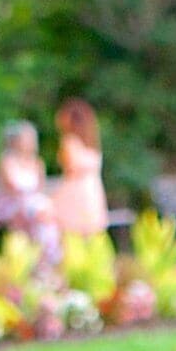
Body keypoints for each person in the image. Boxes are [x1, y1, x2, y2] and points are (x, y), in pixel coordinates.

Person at [0, 118, 58, 268]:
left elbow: (39, 189)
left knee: (45, 215)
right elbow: (10, 188)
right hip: (11, 203)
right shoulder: (7, 161)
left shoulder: (37, 163)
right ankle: (45, 258)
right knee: (41, 215)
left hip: (32, 205)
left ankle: (42, 259)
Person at [50, 98, 110, 245]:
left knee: (69, 234)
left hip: (75, 191)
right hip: (92, 190)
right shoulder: (92, 144)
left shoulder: (69, 141)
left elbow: (70, 169)